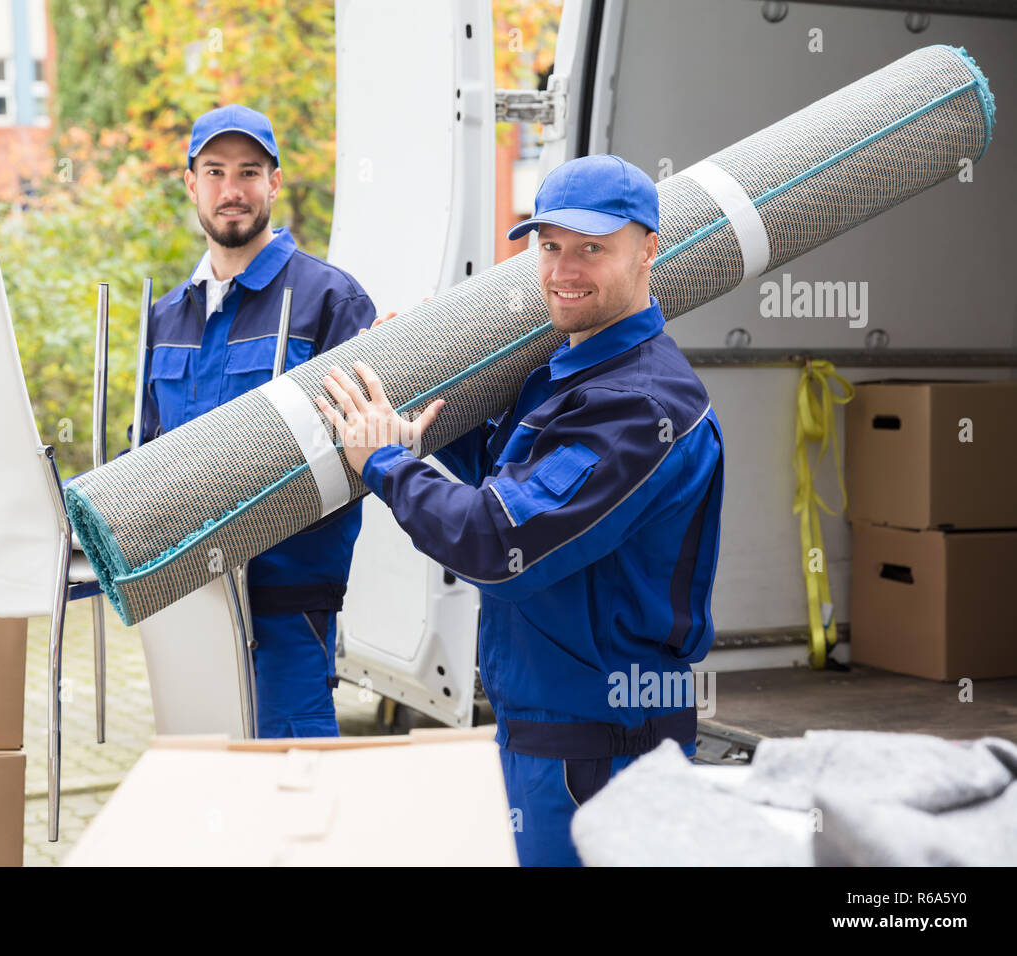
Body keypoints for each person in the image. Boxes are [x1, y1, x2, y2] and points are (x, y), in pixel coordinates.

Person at [315, 154, 725, 865]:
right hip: (551, 737)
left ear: (648, 248)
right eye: (550, 246)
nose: (564, 270)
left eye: (591, 248)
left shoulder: (640, 407)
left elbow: (497, 543)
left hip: (601, 756)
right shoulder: (571, 373)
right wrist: (423, 398)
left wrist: (386, 463)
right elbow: (512, 484)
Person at [138, 104, 377, 737]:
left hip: (286, 610)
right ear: (192, 185)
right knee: (206, 796)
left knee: (294, 798)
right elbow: (142, 458)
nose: (232, 190)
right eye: (214, 172)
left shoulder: (331, 300)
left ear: (274, 183)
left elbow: (360, 460)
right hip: (186, 604)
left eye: (249, 172)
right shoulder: (166, 318)